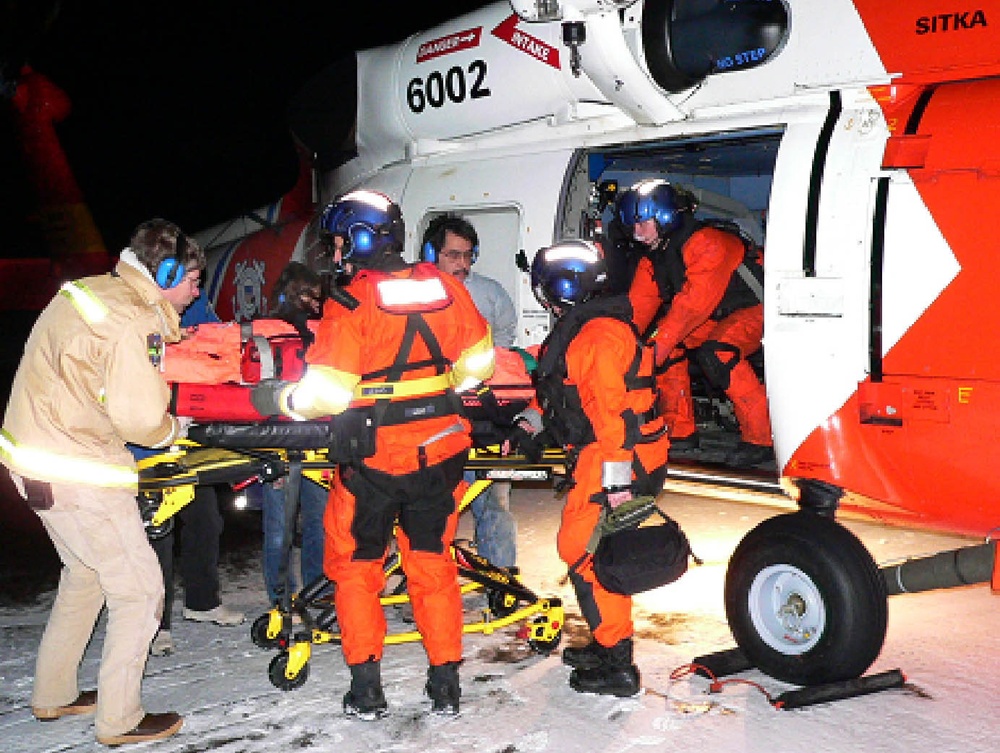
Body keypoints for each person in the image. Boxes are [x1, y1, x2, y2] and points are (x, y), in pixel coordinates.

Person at [250, 189, 494, 719]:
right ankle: (446, 685)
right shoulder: (448, 286)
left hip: (373, 461)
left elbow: (329, 396)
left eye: (338, 240)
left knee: (357, 570)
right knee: (432, 566)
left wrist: (281, 399)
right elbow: (480, 365)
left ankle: (366, 691)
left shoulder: (349, 303)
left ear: (356, 240)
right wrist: (438, 386)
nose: (335, 251)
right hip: (442, 453)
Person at [0, 218, 201, 745]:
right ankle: (120, 720)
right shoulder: (134, 319)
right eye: (192, 281)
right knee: (139, 592)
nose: (196, 292)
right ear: (167, 273)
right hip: (78, 472)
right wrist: (174, 428)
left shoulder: (91, 291)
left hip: (31, 462)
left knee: (85, 574)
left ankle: (54, 693)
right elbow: (140, 420)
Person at [505, 239, 670, 697]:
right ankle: (606, 641)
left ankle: (617, 663)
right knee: (585, 550)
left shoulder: (596, 336)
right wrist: (532, 421)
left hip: (619, 457)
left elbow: (610, 414)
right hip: (613, 454)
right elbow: (562, 387)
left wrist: (618, 484)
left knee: (585, 550)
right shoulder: (587, 328)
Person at [616, 178, 773, 468]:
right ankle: (680, 431)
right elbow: (635, 313)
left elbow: (690, 308)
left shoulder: (708, 243)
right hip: (715, 316)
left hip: (760, 309)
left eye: (644, 223)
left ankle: (761, 438)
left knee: (718, 352)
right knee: (660, 352)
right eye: (633, 226)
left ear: (664, 216)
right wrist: (623, 350)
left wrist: (652, 354)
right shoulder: (653, 259)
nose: (638, 233)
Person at [142, 281, 245, 657]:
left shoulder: (196, 304)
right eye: (192, 277)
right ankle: (156, 624)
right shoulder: (140, 309)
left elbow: (221, 344)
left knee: (205, 519)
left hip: (190, 430)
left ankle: (202, 602)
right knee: (159, 532)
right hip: (149, 438)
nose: (197, 286)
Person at [421, 213, 517, 570]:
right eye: (453, 255)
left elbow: (505, 343)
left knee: (494, 504)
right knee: (429, 512)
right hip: (432, 424)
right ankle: (424, 586)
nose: (462, 264)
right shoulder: (415, 296)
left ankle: (502, 580)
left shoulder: (490, 294)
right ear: (432, 253)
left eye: (468, 255)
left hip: (484, 418)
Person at [259, 261, 329, 606]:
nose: (315, 303)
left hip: (307, 437)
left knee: (310, 523)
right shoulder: (270, 331)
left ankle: (305, 593)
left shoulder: (321, 329)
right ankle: (286, 597)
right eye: (309, 295)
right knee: (283, 527)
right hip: (290, 440)